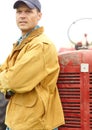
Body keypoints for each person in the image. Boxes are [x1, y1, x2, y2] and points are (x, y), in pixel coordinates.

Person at [0, 0, 65, 130]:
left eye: (28, 11)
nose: (22, 16)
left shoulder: (41, 45)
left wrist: (8, 81)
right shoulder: (22, 44)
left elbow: (13, 81)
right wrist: (7, 80)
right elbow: (4, 71)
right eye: (19, 12)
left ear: (39, 15)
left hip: (34, 123)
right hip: (17, 119)